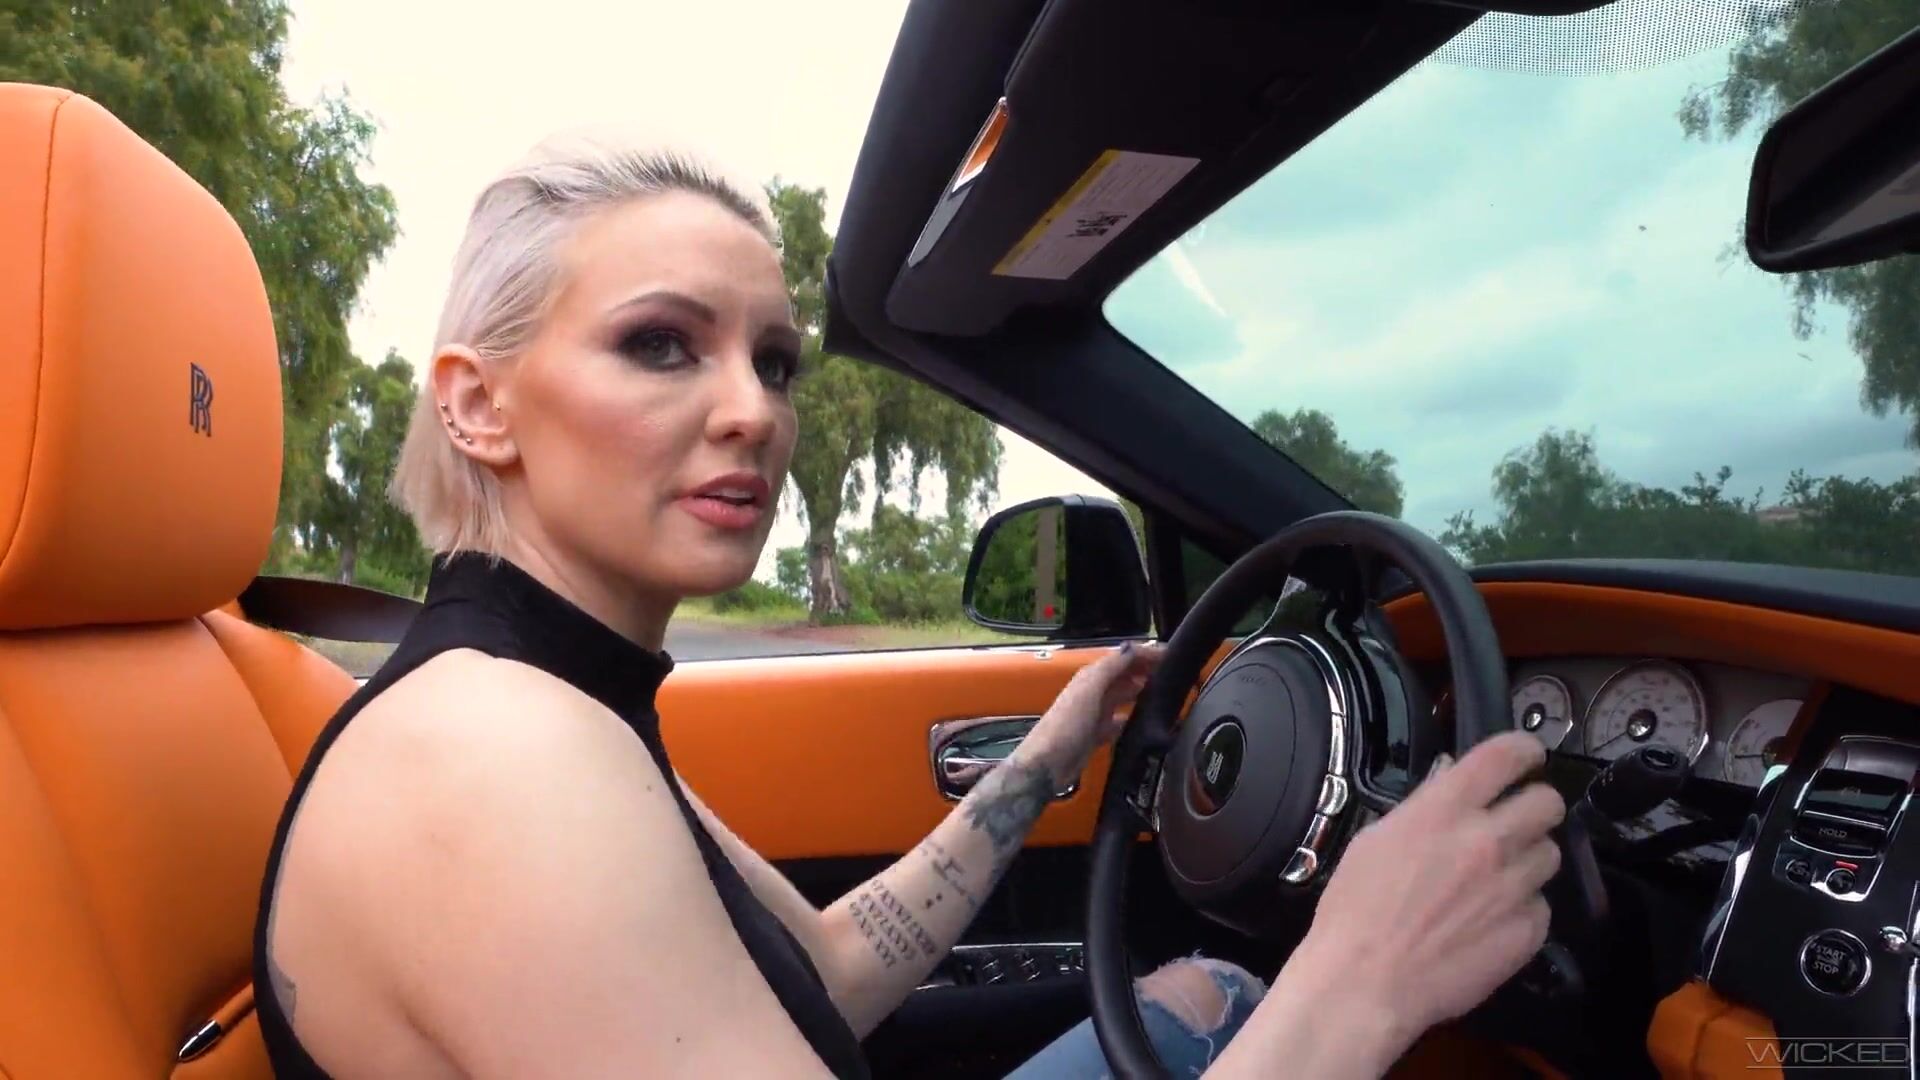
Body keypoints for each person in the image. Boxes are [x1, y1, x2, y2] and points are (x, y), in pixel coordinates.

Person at [252, 132, 1567, 1079]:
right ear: (479, 405)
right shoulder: (495, 758)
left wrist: (1044, 761)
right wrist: (1358, 981)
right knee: (1239, 1005)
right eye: (660, 344)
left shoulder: (557, 697)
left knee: (1205, 992)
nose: (753, 411)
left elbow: (828, 976)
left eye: (774, 361)